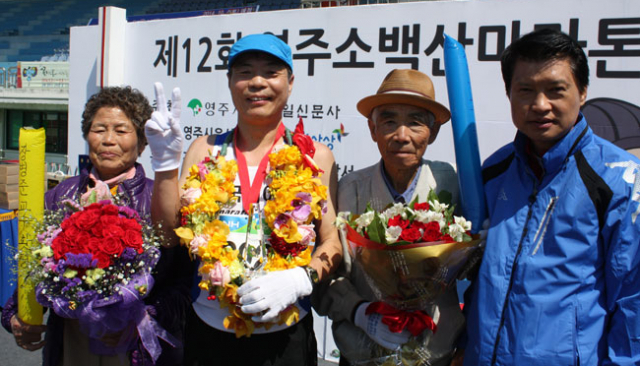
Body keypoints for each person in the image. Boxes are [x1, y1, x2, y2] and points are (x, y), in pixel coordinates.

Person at [145, 33, 342, 365]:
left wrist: (300, 279)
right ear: (230, 82)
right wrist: (165, 167)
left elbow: (332, 242)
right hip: (210, 328)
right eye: (245, 72)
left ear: (290, 82)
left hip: (287, 334)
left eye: (271, 72)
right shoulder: (204, 149)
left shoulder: (315, 156)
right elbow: (166, 234)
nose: (257, 82)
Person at [463, 28, 640, 365]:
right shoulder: (493, 171)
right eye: (525, 90)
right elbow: (477, 277)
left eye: (556, 90)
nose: (540, 105)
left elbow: (633, 297)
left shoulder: (619, 180)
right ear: (509, 93)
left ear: (583, 91)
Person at [1, 86, 193, 366]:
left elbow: (183, 282)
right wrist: (16, 317)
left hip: (134, 345)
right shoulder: (59, 195)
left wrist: (139, 319)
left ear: (142, 143)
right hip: (71, 340)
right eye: (99, 129)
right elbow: (32, 265)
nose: (108, 140)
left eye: (121, 130)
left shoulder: (160, 198)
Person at [313, 69, 464, 366]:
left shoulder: (452, 184)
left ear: (432, 133)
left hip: (433, 353)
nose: (402, 136)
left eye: (416, 123)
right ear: (373, 130)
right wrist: (359, 312)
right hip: (362, 352)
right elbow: (328, 274)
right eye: (389, 122)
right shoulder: (350, 190)